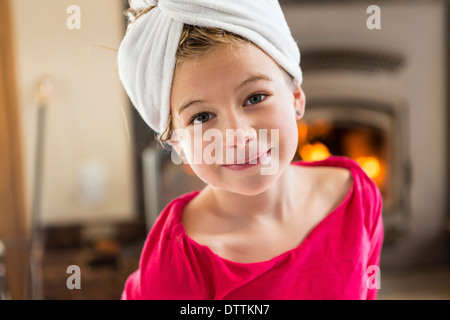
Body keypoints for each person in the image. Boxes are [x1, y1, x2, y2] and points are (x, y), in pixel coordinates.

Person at [117, 0, 383, 300]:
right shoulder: (179, 260)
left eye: (255, 97)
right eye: (202, 117)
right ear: (178, 144)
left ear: (296, 97)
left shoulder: (356, 197)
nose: (238, 137)